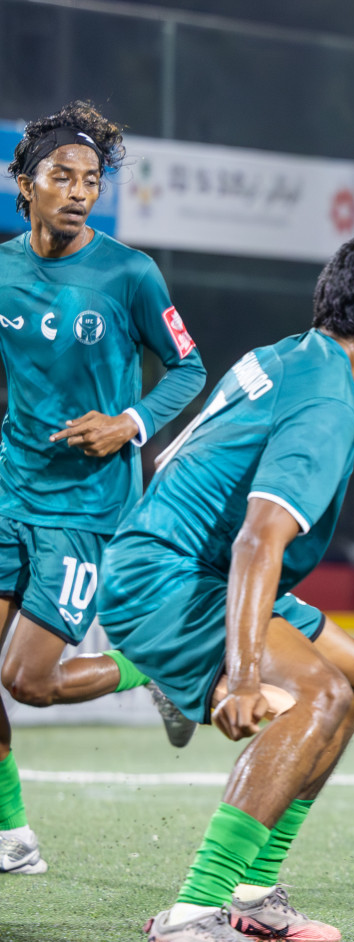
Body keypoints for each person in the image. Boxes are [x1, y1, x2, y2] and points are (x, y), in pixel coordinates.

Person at [97, 233, 354, 942]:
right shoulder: (327, 401)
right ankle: (192, 915)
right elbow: (260, 541)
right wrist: (247, 675)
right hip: (166, 578)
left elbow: (179, 459)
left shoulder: (289, 354)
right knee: (313, 694)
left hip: (177, 561)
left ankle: (253, 898)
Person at [0, 102, 208, 876]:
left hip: (86, 510)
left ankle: (154, 668)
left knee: (26, 681)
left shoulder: (129, 272)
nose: (79, 191)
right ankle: (13, 838)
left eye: (91, 180)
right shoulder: (3, 268)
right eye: (62, 177)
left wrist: (129, 421)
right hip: (8, 489)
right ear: (25, 183)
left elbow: (189, 367)